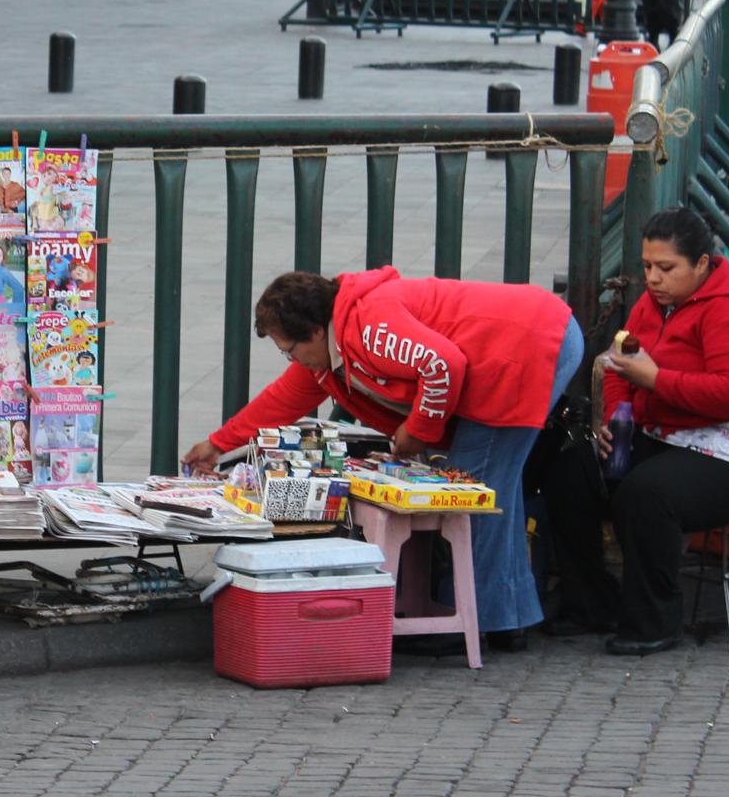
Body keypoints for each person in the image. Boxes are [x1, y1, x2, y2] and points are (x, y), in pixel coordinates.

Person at [183, 268, 584, 648]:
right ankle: (503, 618)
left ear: (316, 332)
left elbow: (441, 365)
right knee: (494, 486)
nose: (292, 359)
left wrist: (418, 431)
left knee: (473, 490)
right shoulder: (330, 348)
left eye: (289, 350)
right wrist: (217, 444)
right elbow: (280, 401)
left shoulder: (368, 327)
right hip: (528, 339)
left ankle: (470, 620)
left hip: (529, 344)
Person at [542, 208, 729, 656]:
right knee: (570, 470)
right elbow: (622, 360)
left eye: (666, 267)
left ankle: (654, 621)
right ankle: (591, 602)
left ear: (702, 264)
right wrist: (616, 420)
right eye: (646, 266)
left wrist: (657, 381)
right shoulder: (651, 304)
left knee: (646, 493)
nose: (653, 278)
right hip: (668, 434)